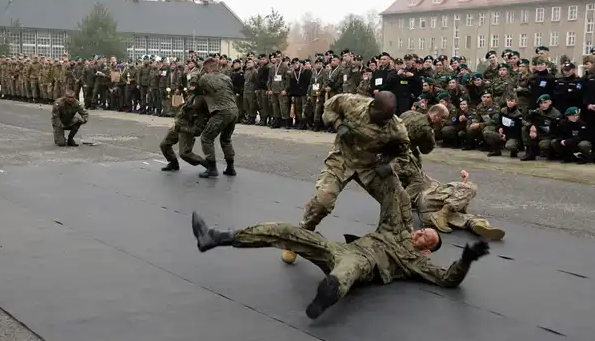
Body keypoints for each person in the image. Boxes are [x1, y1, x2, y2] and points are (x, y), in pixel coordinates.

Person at [190, 211, 490, 319]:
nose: (420, 232)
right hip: (338, 247)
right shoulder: (395, 230)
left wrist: (465, 259)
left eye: (426, 237)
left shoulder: (415, 262)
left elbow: (447, 279)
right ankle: (215, 237)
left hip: (363, 261)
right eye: (423, 230)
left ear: (426, 251)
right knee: (287, 232)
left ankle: (327, 296)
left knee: (347, 270)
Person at [281, 91, 413, 264]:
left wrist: (390, 165)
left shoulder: (396, 128)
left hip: (371, 166)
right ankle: (299, 237)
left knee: (399, 200)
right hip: (342, 159)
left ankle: (403, 244)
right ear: (372, 106)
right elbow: (329, 107)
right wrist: (338, 124)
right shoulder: (353, 103)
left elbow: (405, 154)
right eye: (380, 117)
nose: (383, 122)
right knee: (323, 202)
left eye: (387, 118)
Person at [417, 170, 505, 240]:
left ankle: (480, 226)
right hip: (429, 198)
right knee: (470, 187)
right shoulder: (415, 173)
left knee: (465, 218)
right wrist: (464, 184)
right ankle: (443, 213)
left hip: (429, 213)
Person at [194, 58, 239, 178]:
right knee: (226, 139)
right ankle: (230, 168)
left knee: (206, 138)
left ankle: (212, 168)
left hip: (222, 111)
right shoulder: (226, 78)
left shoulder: (205, 78)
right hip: (234, 110)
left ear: (207, 68)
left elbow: (196, 90)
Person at [159, 78, 210, 171]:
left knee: (184, 153)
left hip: (186, 129)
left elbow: (197, 131)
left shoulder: (202, 105)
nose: (191, 87)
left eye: (194, 85)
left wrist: (182, 129)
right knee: (164, 145)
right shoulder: (192, 97)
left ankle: (207, 164)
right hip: (179, 125)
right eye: (191, 85)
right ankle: (173, 163)